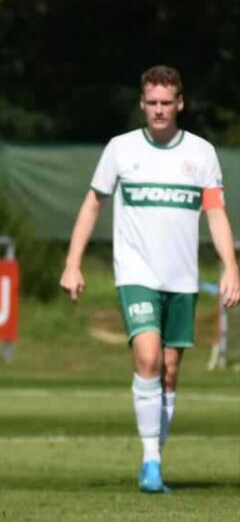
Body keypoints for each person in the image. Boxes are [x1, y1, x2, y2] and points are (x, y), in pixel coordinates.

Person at [60, 66, 240, 493]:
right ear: (143, 104)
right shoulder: (121, 150)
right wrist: (73, 262)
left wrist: (231, 265)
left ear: (180, 104)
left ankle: (156, 455)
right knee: (148, 359)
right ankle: (151, 462)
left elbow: (215, 212)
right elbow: (92, 205)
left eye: (167, 103)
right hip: (136, 274)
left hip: (183, 280)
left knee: (171, 371)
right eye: (152, 103)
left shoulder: (201, 153)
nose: (159, 110)